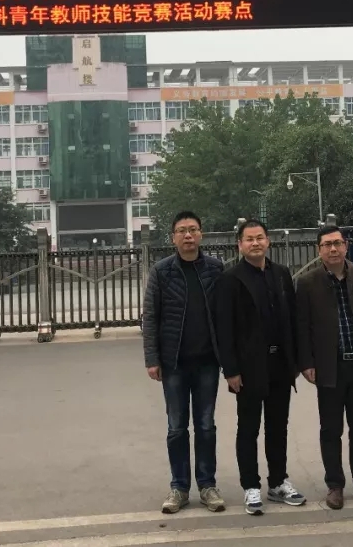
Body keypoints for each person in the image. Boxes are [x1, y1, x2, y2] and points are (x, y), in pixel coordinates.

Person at [216, 219, 306, 516]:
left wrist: (295, 361)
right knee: (248, 428)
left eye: (260, 238)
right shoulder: (231, 280)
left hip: (280, 364)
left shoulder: (281, 274)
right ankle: (250, 486)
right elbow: (224, 329)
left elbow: (293, 318)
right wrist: (231, 370)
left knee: (278, 427)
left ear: (268, 241)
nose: (255, 243)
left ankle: (278, 482)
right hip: (249, 368)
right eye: (249, 239)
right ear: (240, 245)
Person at [295, 224, 353, 511]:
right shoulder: (307, 283)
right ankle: (335, 484)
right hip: (329, 367)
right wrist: (306, 363)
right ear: (319, 250)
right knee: (330, 429)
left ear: (346, 246)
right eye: (327, 244)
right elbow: (302, 327)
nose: (333, 249)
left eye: (337, 243)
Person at [142, 211, 227, 515]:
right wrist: (152, 358)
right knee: (177, 427)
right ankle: (179, 487)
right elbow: (150, 316)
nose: (188, 235)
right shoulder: (161, 271)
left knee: (206, 426)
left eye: (192, 229)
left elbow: (225, 314)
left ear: (201, 234)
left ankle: (207, 485)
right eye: (182, 231)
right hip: (174, 363)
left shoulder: (215, 269)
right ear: (173, 237)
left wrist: (228, 358)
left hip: (207, 362)